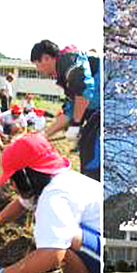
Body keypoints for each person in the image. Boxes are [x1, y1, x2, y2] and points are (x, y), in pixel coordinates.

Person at [0, 133, 101, 273]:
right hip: (96, 240)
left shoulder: (54, 196)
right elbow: (21, 203)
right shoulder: (53, 180)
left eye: (13, 179)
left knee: (61, 240)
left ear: (25, 177)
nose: (12, 185)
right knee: (54, 233)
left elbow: (52, 255)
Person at [30, 40, 101, 180]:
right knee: (87, 151)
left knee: (93, 160)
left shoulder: (70, 62)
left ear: (46, 58)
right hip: (95, 114)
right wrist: (43, 136)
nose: (38, 70)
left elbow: (84, 90)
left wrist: (76, 124)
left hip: (100, 112)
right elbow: (69, 110)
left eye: (37, 64)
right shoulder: (65, 76)